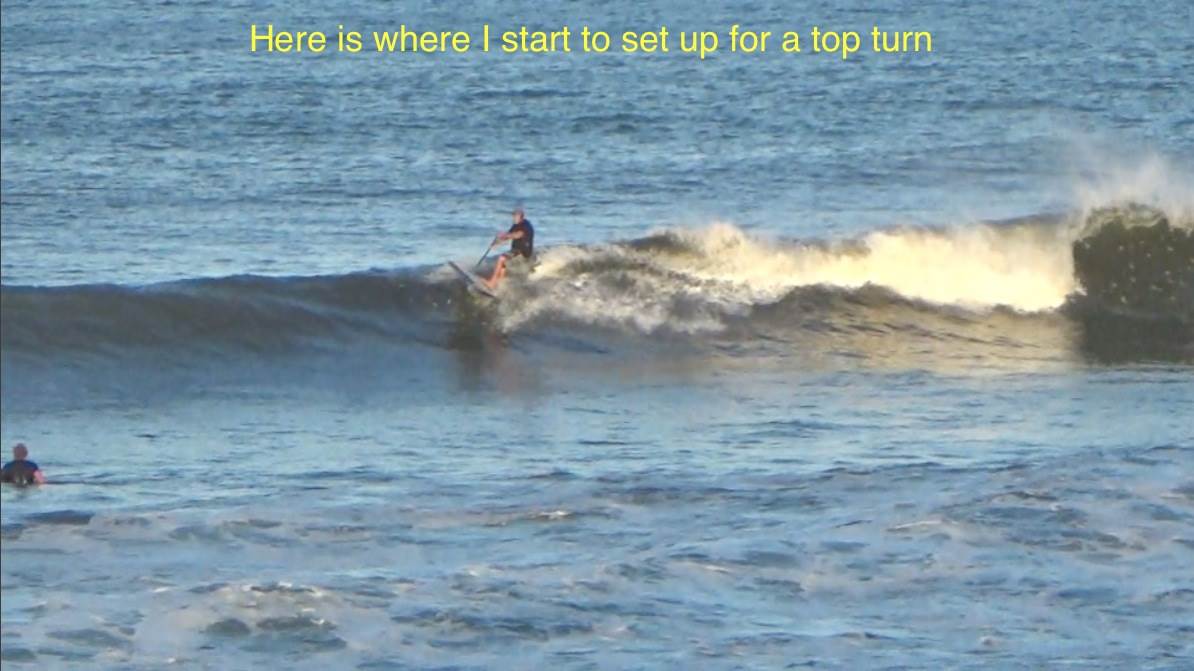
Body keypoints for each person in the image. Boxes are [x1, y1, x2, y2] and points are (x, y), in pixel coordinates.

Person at [485, 208, 535, 290]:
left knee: (502, 258)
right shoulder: (516, 225)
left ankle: (492, 283)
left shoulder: (526, 226)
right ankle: (498, 285)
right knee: (503, 262)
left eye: (515, 217)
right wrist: (496, 243)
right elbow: (508, 236)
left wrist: (504, 235)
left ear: (521, 217)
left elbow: (518, 235)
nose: (513, 218)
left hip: (523, 252)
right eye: (513, 216)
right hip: (516, 250)